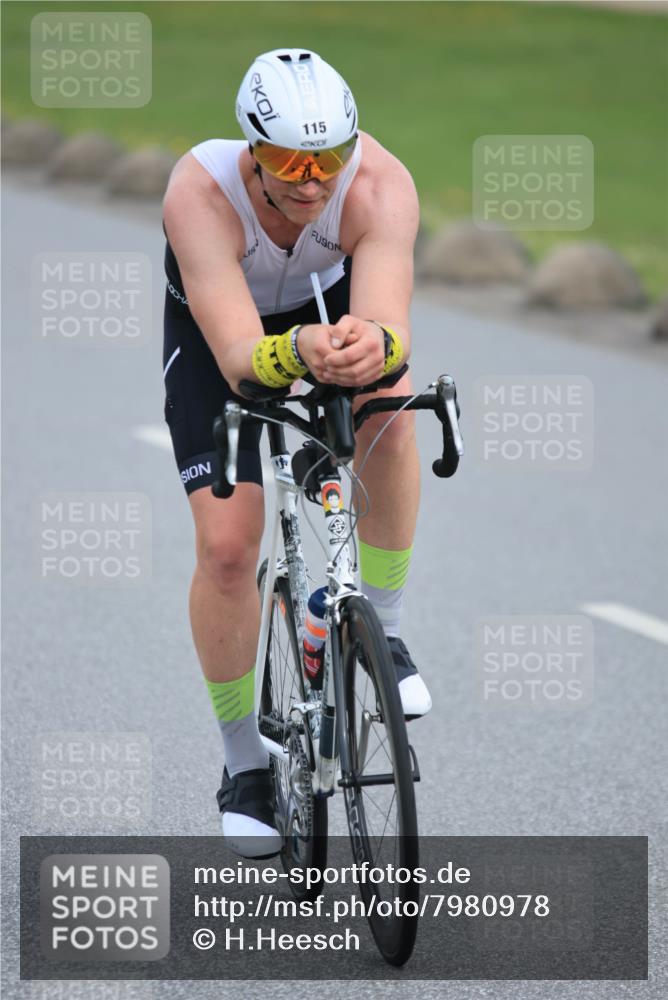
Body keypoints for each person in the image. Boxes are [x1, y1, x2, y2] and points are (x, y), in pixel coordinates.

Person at [162, 49, 431, 858]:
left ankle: (380, 626)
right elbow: (243, 353)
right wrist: (297, 352)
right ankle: (245, 764)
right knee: (227, 550)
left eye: (331, 158)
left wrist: (369, 346)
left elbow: (389, 323)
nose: (314, 181)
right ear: (253, 149)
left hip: (328, 309)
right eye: (290, 162)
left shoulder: (381, 183)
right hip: (223, 337)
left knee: (390, 404)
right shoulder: (199, 191)